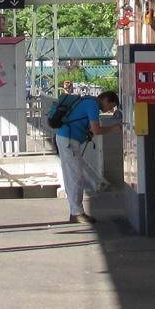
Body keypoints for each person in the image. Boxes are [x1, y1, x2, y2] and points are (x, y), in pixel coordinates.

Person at [55, 89, 119, 225]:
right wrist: (113, 129)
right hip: (68, 141)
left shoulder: (88, 101)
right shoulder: (93, 105)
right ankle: (76, 213)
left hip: (67, 139)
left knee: (74, 174)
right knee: (75, 177)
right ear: (106, 100)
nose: (109, 110)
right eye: (111, 106)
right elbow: (96, 129)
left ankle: (77, 210)